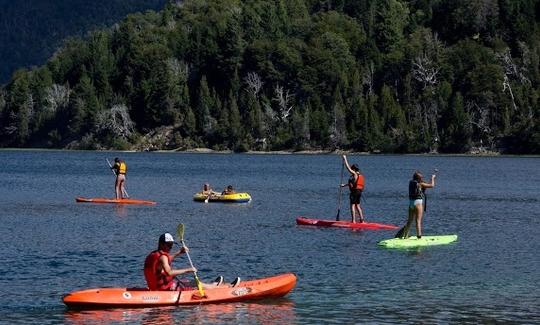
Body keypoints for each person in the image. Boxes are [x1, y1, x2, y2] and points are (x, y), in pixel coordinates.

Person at [144, 233, 240, 291]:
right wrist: (188, 270)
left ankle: (214, 285)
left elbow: (165, 261)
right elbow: (169, 272)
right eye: (168, 245)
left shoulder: (154, 255)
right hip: (165, 290)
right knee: (196, 283)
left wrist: (179, 253)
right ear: (161, 244)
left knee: (188, 282)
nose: (170, 247)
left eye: (171, 245)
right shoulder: (162, 257)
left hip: (156, 288)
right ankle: (228, 288)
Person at [398, 171, 436, 239]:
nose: (422, 178)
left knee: (409, 221)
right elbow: (432, 185)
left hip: (411, 203)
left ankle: (405, 236)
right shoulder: (420, 184)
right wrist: (433, 178)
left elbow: (424, 185)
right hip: (418, 203)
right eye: (421, 177)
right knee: (418, 221)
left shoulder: (411, 183)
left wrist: (429, 180)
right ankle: (419, 237)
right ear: (418, 178)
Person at [341, 155, 365, 223]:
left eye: (352, 169)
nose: (351, 170)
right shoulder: (360, 175)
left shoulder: (354, 174)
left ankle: (353, 221)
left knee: (352, 205)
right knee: (358, 206)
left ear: (354, 169)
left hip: (354, 192)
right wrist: (344, 185)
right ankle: (362, 221)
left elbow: (348, 168)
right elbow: (354, 184)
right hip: (359, 192)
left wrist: (345, 159)